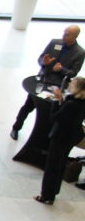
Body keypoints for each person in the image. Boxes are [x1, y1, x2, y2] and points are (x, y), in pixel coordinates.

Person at [11, 25, 83, 139]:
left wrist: (61, 69)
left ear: (75, 37)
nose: (63, 36)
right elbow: (40, 59)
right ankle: (16, 128)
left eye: (67, 34)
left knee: (48, 113)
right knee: (27, 106)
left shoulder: (79, 52)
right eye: (64, 33)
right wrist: (44, 62)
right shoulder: (54, 43)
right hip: (42, 80)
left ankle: (42, 138)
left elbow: (73, 73)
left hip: (57, 87)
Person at [36, 76, 85, 204]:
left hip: (61, 137)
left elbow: (54, 117)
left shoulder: (71, 104)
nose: (69, 84)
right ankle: (54, 191)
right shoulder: (80, 102)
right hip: (72, 137)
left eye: (72, 83)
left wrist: (57, 101)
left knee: (52, 166)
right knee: (60, 164)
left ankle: (46, 195)